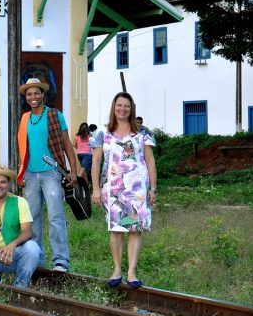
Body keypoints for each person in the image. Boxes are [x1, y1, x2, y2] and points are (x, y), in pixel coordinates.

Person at [91, 92, 157, 289]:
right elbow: (95, 162)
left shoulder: (142, 133)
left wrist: (153, 188)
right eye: (119, 106)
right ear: (114, 108)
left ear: (132, 108)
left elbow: (150, 161)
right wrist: (95, 189)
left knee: (135, 230)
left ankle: (132, 272)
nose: (122, 109)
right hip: (113, 189)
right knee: (116, 230)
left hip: (137, 189)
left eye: (126, 106)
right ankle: (117, 269)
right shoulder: (102, 134)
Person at [16, 77, 78, 273]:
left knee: (55, 217)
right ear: (26, 97)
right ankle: (36, 258)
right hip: (31, 174)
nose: (33, 96)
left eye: (36, 92)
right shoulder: (25, 118)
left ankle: (61, 261)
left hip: (51, 172)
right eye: (29, 94)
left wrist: (73, 171)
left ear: (43, 95)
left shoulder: (54, 115)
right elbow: (23, 148)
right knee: (32, 219)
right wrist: (22, 173)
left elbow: (67, 144)